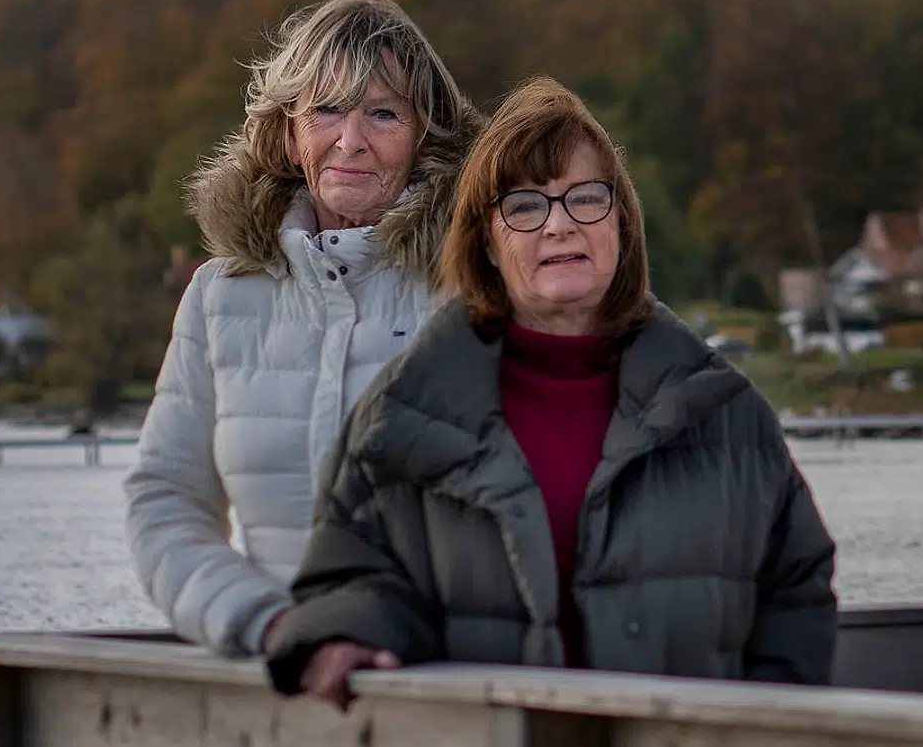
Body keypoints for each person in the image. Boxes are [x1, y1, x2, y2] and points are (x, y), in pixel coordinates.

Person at [264, 76, 837, 709]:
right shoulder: (402, 415)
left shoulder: (725, 413)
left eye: (585, 198)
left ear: (621, 222)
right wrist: (348, 630)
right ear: (487, 240)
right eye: (525, 206)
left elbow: (796, 592)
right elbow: (352, 574)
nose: (560, 225)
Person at [123, 0, 487, 657]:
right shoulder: (218, 297)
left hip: (439, 676)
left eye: (383, 113)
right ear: (289, 134)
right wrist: (269, 627)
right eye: (326, 109)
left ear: (424, 137)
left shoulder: (478, 286)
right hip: (275, 678)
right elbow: (165, 500)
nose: (351, 140)